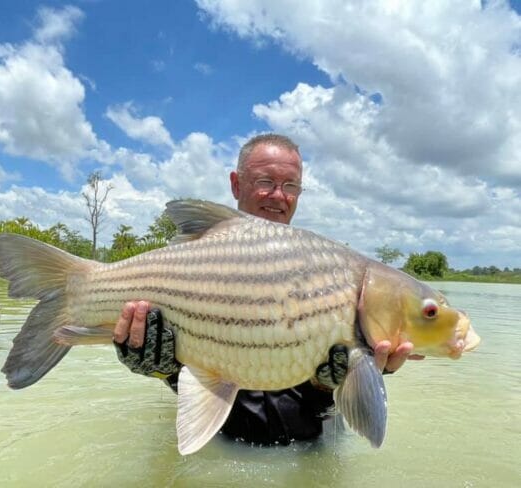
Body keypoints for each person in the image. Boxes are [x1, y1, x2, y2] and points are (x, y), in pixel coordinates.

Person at [112, 133, 421, 445]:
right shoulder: (193, 268)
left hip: (308, 449)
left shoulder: (330, 271)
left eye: (290, 186)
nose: (278, 195)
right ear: (236, 184)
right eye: (265, 181)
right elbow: (200, 379)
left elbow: (325, 410)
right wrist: (164, 370)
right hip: (221, 442)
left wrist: (331, 385)